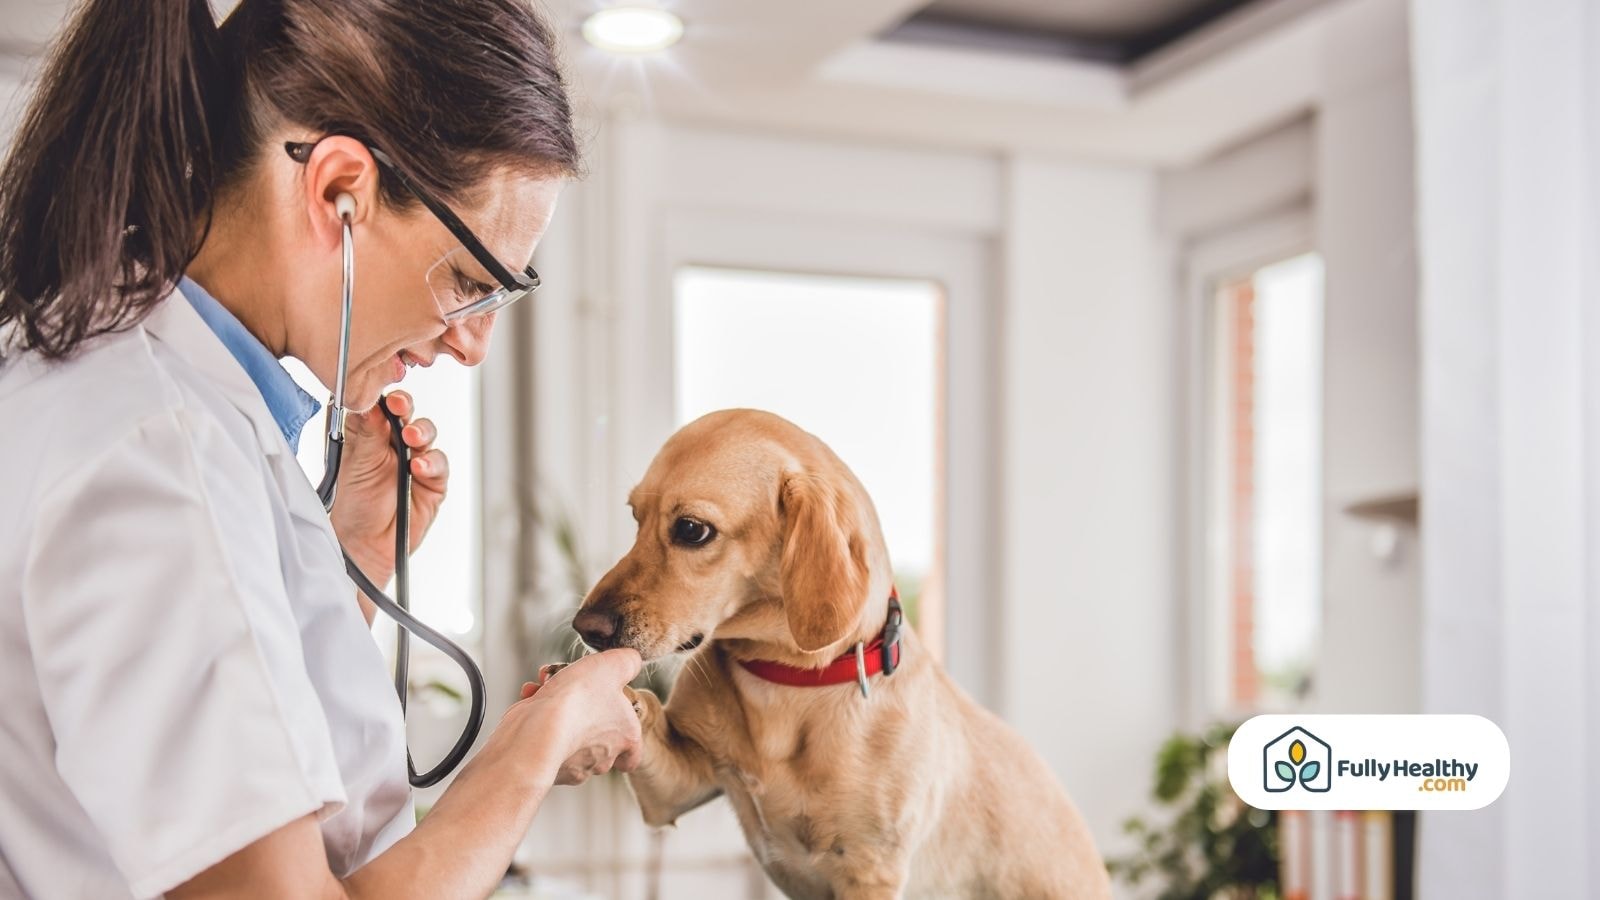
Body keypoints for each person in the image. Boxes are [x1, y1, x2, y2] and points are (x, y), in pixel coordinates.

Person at [0, 1, 642, 897]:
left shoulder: (154, 408)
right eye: (468, 281)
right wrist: (536, 746)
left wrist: (351, 566)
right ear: (338, 189)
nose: (471, 344)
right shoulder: (155, 456)